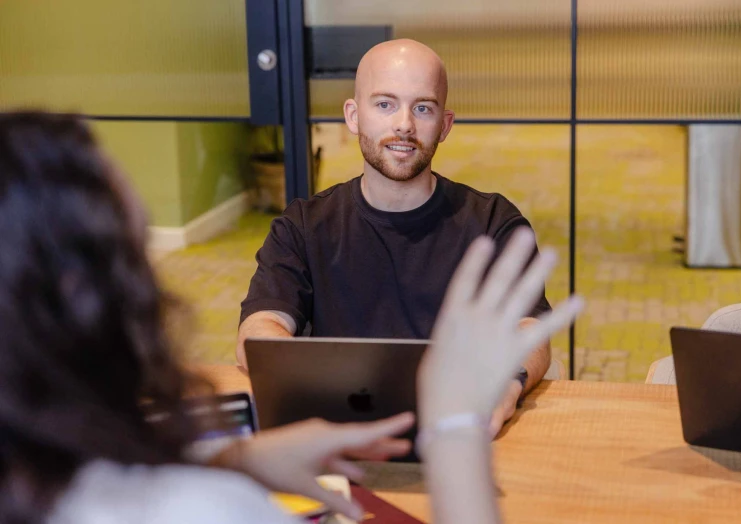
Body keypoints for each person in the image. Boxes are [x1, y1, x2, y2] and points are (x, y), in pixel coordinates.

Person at [0, 111, 583, 524]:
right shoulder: (197, 509)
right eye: (138, 251)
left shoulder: (40, 465)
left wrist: (229, 457)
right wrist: (454, 440)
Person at [238, 39, 553, 435]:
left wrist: (504, 386)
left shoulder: (492, 222)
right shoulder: (303, 226)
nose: (404, 124)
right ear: (353, 116)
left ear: (445, 125)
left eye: (422, 108)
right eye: (385, 104)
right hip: (336, 435)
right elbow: (260, 327)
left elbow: (530, 330)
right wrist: (312, 384)